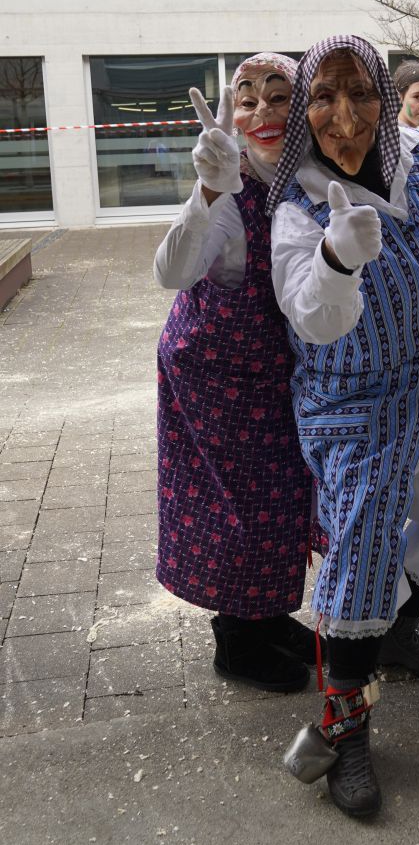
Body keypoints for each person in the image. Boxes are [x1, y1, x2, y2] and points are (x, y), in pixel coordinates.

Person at [266, 34, 419, 818]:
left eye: (360, 93)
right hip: (357, 403)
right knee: (362, 547)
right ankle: (346, 732)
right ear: (304, 111)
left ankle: (398, 632)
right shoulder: (297, 207)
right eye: (323, 97)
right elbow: (313, 319)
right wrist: (336, 260)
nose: (344, 116)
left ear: (383, 95)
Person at [154, 54, 319, 694]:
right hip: (212, 373)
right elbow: (171, 272)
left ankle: (267, 615)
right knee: (239, 507)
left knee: (284, 498)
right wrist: (208, 191)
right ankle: (237, 641)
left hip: (272, 370)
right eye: (247, 99)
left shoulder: (306, 179)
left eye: (279, 97)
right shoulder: (231, 183)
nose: (261, 112)